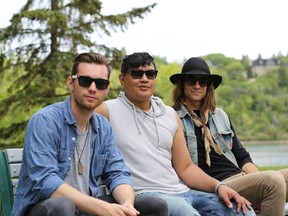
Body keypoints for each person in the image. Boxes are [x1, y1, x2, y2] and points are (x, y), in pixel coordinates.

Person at [95, 52, 255, 216]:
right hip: (144, 195)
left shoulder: (169, 114)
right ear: (122, 79)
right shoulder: (106, 111)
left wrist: (219, 187)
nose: (144, 79)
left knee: (244, 211)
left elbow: (186, 168)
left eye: (150, 74)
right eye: (137, 74)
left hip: (182, 191)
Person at [11, 52, 169, 216]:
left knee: (153, 205)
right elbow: (45, 182)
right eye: (85, 81)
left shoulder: (103, 128)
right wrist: (102, 208)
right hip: (48, 209)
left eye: (100, 83)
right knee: (63, 206)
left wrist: (127, 206)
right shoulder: (45, 121)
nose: (92, 88)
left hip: (86, 209)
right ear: (71, 83)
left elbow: (117, 173)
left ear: (106, 88)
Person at [169, 56, 288, 216]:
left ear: (208, 86)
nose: (197, 85)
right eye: (191, 80)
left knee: (273, 180)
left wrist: (258, 181)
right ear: (182, 85)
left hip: (241, 178)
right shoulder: (171, 117)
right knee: (273, 180)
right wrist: (266, 181)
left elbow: (241, 156)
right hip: (215, 186)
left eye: (202, 81)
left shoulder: (220, 115)